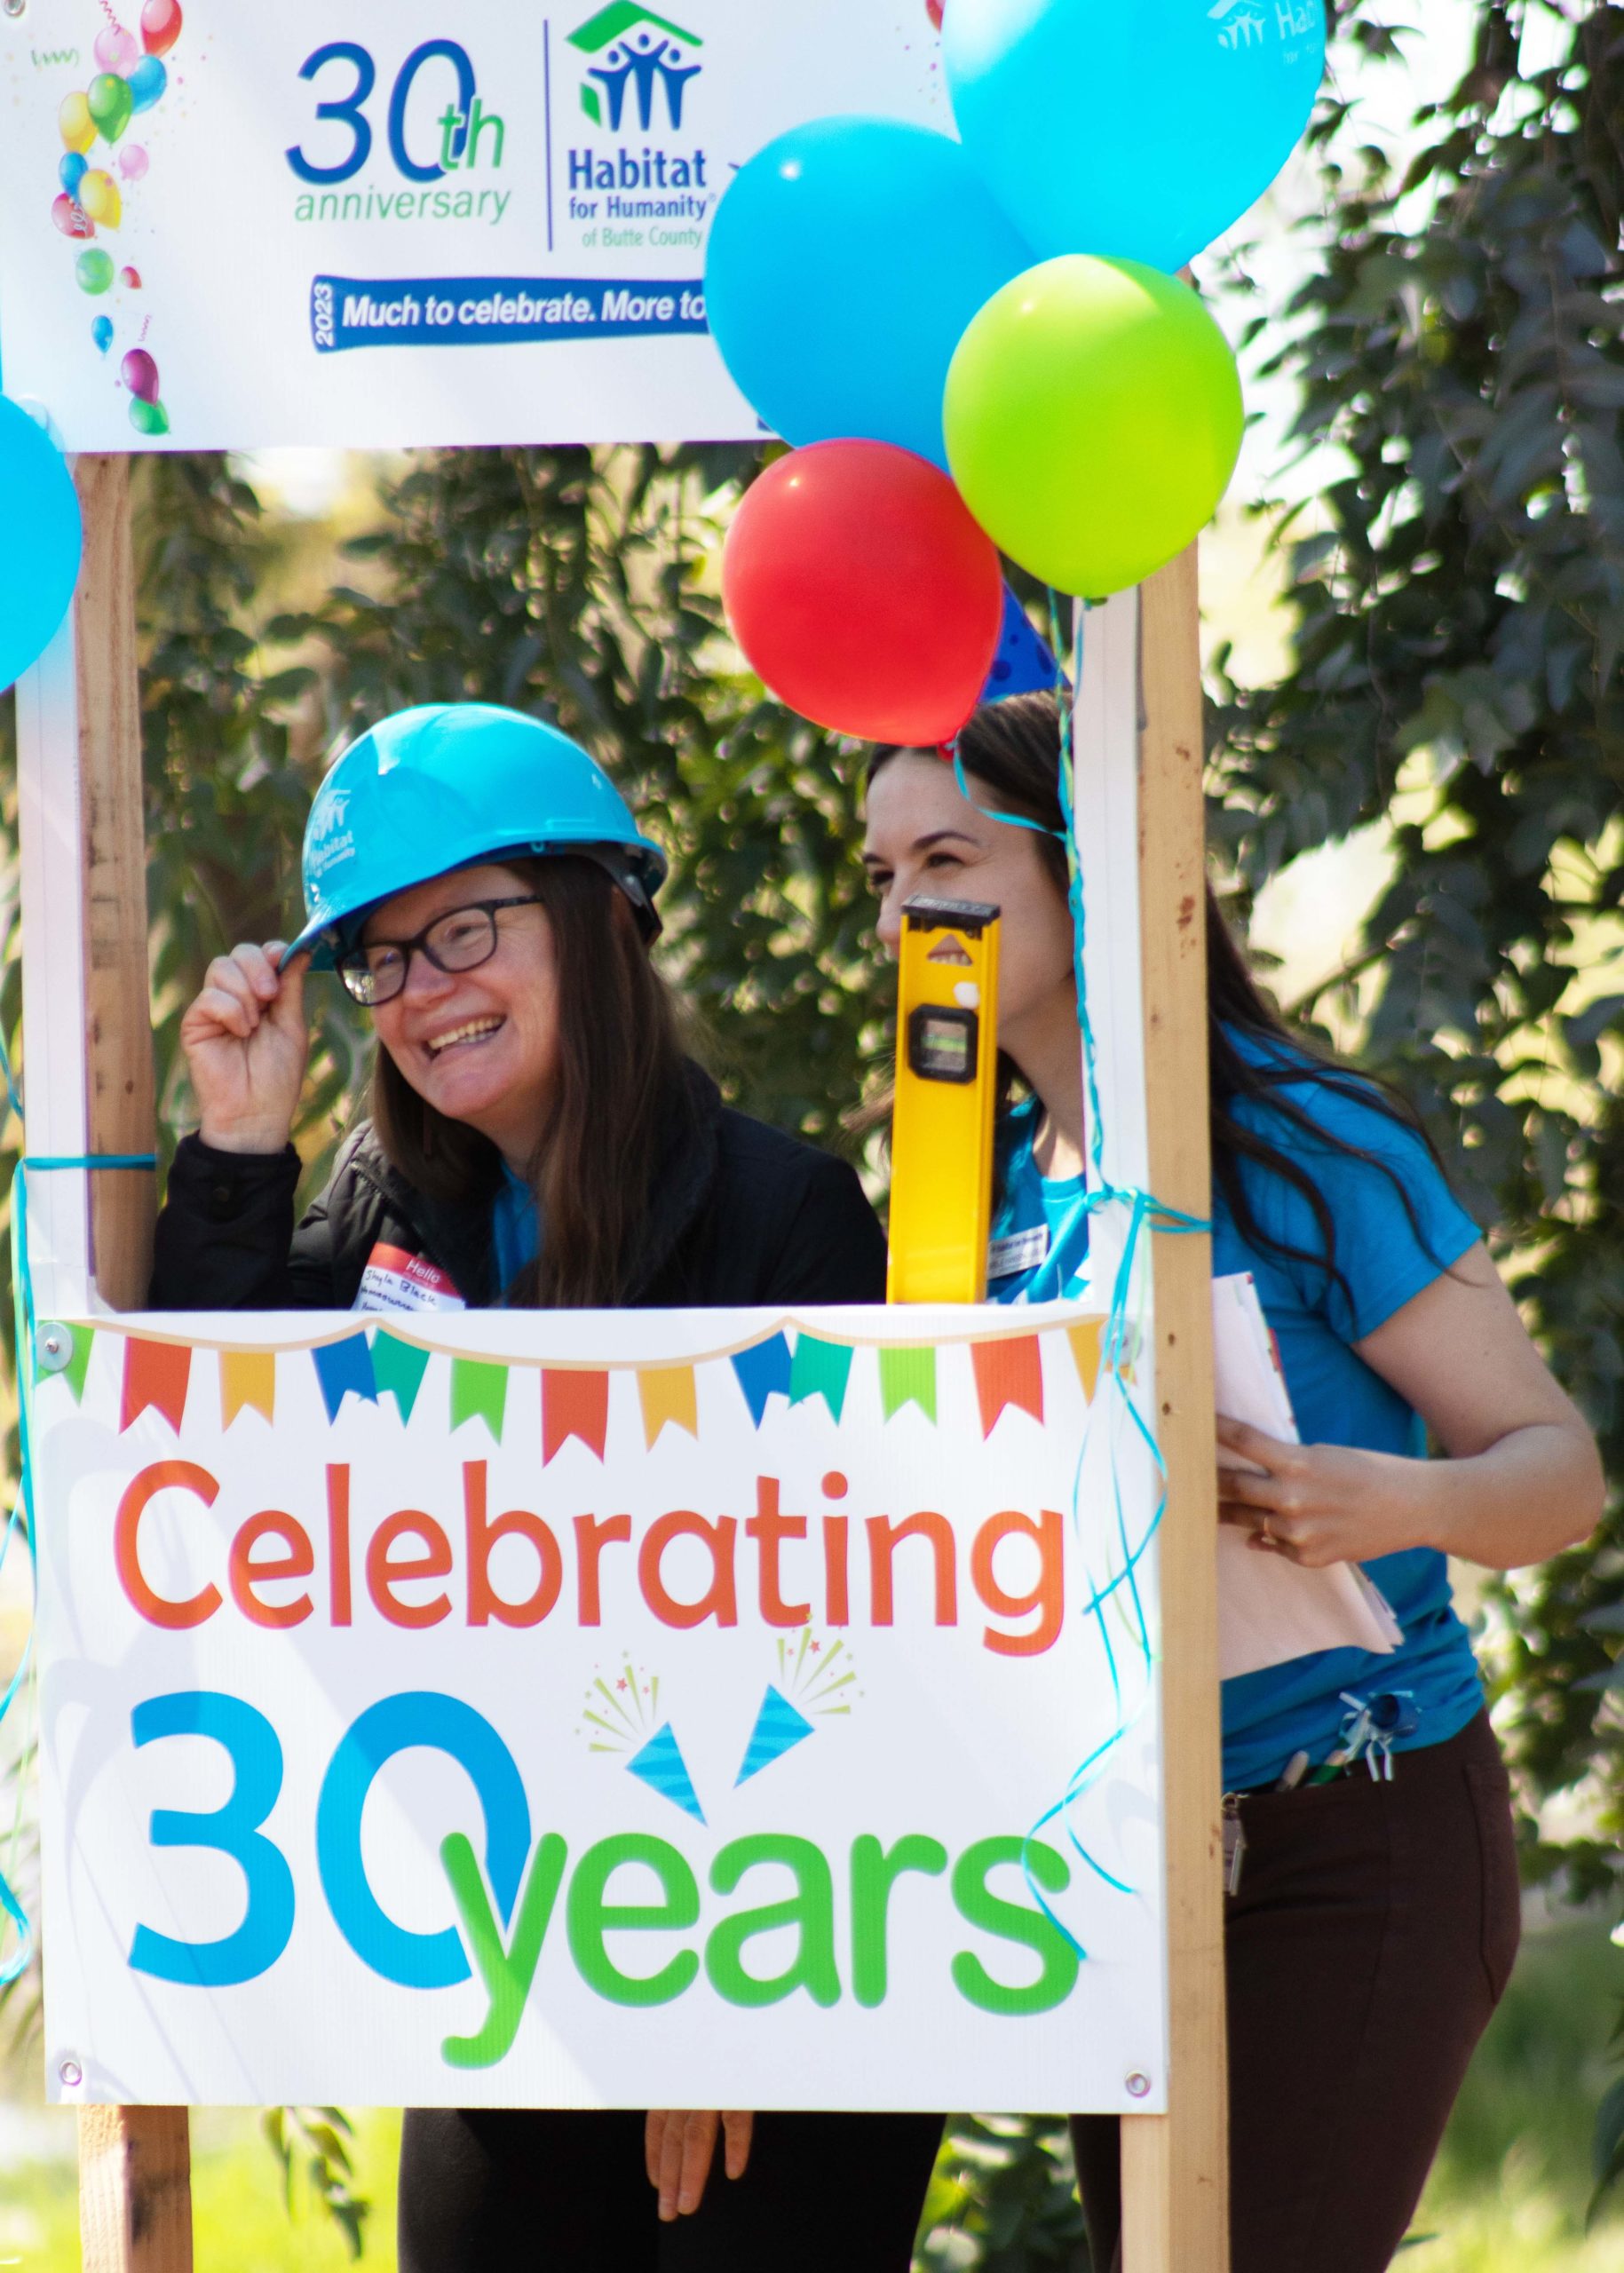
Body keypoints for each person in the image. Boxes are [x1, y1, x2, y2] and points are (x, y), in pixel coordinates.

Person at [150, 701, 944, 2273]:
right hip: (505, 1949)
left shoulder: (791, 1217)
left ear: (598, 921)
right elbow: (230, 1485)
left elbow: (849, 1634)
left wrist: (721, 2002)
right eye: (383, 958)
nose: (419, 992)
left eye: (462, 931)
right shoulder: (378, 1199)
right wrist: (244, 1146)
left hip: (768, 1947)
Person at [860, 689, 1603, 2273]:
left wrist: (1388, 1503)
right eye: (878, 879)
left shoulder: (1301, 1142)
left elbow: (1557, 1477)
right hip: (1114, 1857)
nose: (905, 914)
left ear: (1088, 869)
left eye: (947, 859)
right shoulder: (959, 1196)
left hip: (1360, 1830)